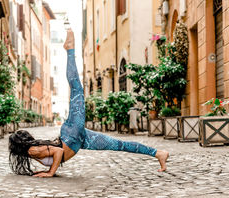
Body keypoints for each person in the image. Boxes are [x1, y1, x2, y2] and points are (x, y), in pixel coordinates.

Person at [9, 30, 169, 178]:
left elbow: (57, 151)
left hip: (72, 135)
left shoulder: (32, 150)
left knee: (77, 89)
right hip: (78, 138)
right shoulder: (32, 151)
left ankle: (70, 50)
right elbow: (55, 152)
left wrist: (50, 172)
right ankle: (158, 153)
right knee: (119, 144)